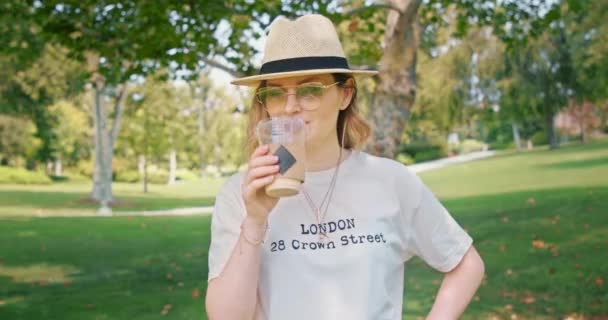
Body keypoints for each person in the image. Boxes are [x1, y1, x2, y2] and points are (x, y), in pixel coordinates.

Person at [205, 14, 484, 320]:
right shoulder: (240, 194)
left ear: (345, 93)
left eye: (309, 90)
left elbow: (465, 264)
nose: (289, 106)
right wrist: (255, 220)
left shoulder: (389, 180)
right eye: (274, 93)